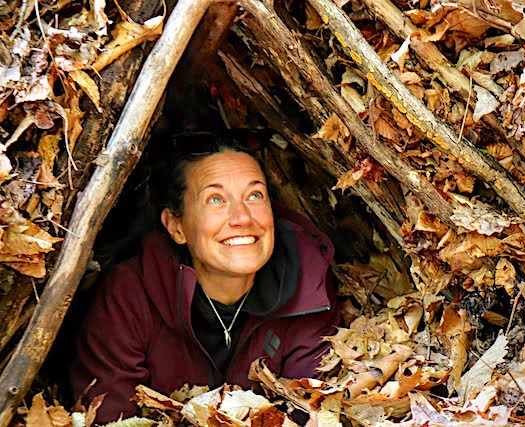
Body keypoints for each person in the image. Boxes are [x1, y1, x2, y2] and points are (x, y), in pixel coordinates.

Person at [70, 134, 339, 423]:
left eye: (254, 195)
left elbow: (310, 411)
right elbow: (110, 416)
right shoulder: (129, 296)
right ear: (177, 227)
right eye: (216, 199)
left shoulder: (307, 285)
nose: (242, 218)